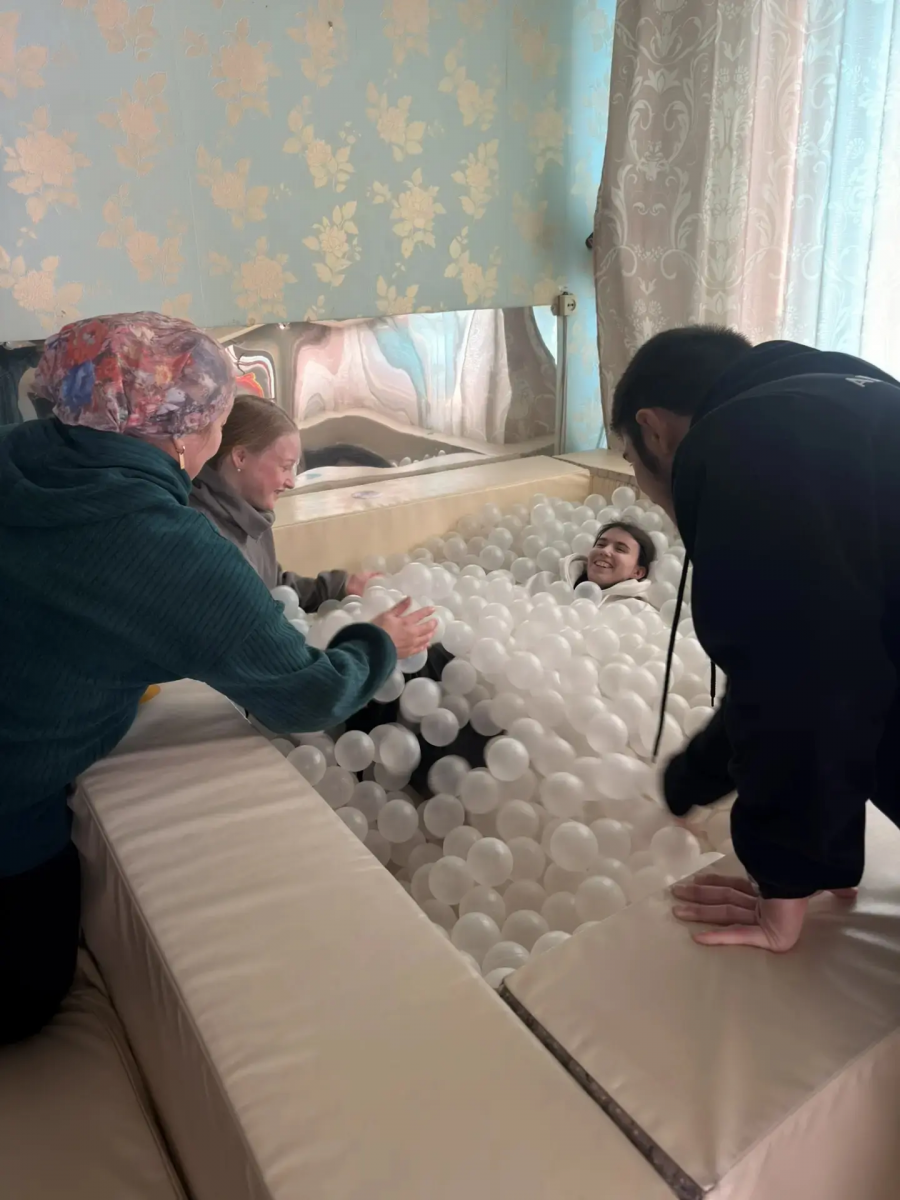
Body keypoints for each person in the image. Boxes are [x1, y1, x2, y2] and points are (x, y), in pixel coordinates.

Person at [0, 312, 435, 1044]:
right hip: (12, 812)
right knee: (32, 996)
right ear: (182, 431)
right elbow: (307, 695)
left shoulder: (18, 453)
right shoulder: (168, 547)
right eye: (219, 417)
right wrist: (378, 641)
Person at [610, 325, 900, 952]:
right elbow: (848, 640)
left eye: (631, 461)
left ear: (653, 430)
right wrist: (694, 779)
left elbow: (803, 686)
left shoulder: (747, 449)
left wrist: (785, 880)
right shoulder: (853, 396)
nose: (641, 488)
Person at [191, 393, 376, 611]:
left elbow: (273, 588)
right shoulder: (205, 536)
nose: (291, 482)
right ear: (241, 457)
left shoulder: (250, 518)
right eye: (285, 467)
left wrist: (340, 587)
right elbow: (252, 620)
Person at [527, 521, 657, 605]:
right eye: (601, 544)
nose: (605, 551)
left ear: (637, 572)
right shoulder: (544, 583)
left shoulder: (638, 612)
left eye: (620, 549)